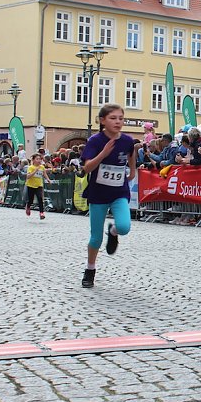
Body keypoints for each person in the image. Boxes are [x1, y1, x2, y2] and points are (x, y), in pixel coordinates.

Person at [80, 104, 136, 288]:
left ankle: (113, 232)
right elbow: (87, 168)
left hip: (119, 191)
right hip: (98, 193)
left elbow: (131, 153)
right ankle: (90, 270)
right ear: (102, 120)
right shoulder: (95, 141)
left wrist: (132, 171)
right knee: (95, 238)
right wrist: (103, 154)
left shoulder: (127, 140)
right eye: (113, 118)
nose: (118, 121)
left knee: (124, 226)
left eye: (121, 118)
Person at [25, 153, 52, 219]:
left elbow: (44, 174)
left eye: (40, 159)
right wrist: (35, 170)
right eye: (37, 159)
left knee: (40, 198)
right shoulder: (30, 167)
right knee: (31, 200)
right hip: (31, 185)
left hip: (39, 185)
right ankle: (28, 207)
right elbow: (28, 176)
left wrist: (48, 179)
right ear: (33, 160)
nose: (39, 160)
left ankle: (41, 213)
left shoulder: (42, 167)